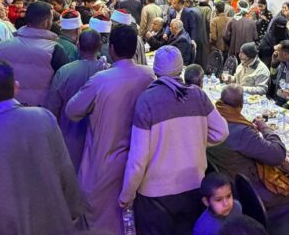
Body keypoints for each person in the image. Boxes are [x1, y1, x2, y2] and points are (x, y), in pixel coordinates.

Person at [0, 61, 83, 234]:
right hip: (54, 225)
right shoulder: (45, 118)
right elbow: (66, 172)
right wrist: (73, 210)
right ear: (15, 87)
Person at [119, 46, 229, 234]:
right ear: (180, 69)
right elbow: (221, 132)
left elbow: (138, 160)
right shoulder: (198, 95)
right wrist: (195, 141)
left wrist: (127, 195)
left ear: (155, 71)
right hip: (193, 185)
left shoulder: (146, 100)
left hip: (155, 194)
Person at [65, 26, 155, 233]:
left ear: (111, 48)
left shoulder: (101, 79)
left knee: (100, 222)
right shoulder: (149, 76)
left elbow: (72, 110)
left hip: (104, 162)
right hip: (141, 159)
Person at [208, 85, 289, 212]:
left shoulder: (213, 118)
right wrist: (265, 128)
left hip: (227, 178)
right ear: (241, 105)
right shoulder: (242, 131)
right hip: (248, 190)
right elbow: (278, 155)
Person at [45, 30, 108, 170]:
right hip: (100, 141)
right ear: (99, 46)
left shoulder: (64, 72)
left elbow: (52, 109)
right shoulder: (107, 73)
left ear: (78, 46)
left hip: (69, 139)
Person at [0, 1, 70, 107]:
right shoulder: (54, 49)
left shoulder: (3, 45)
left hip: (8, 105)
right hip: (40, 109)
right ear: (46, 22)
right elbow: (64, 82)